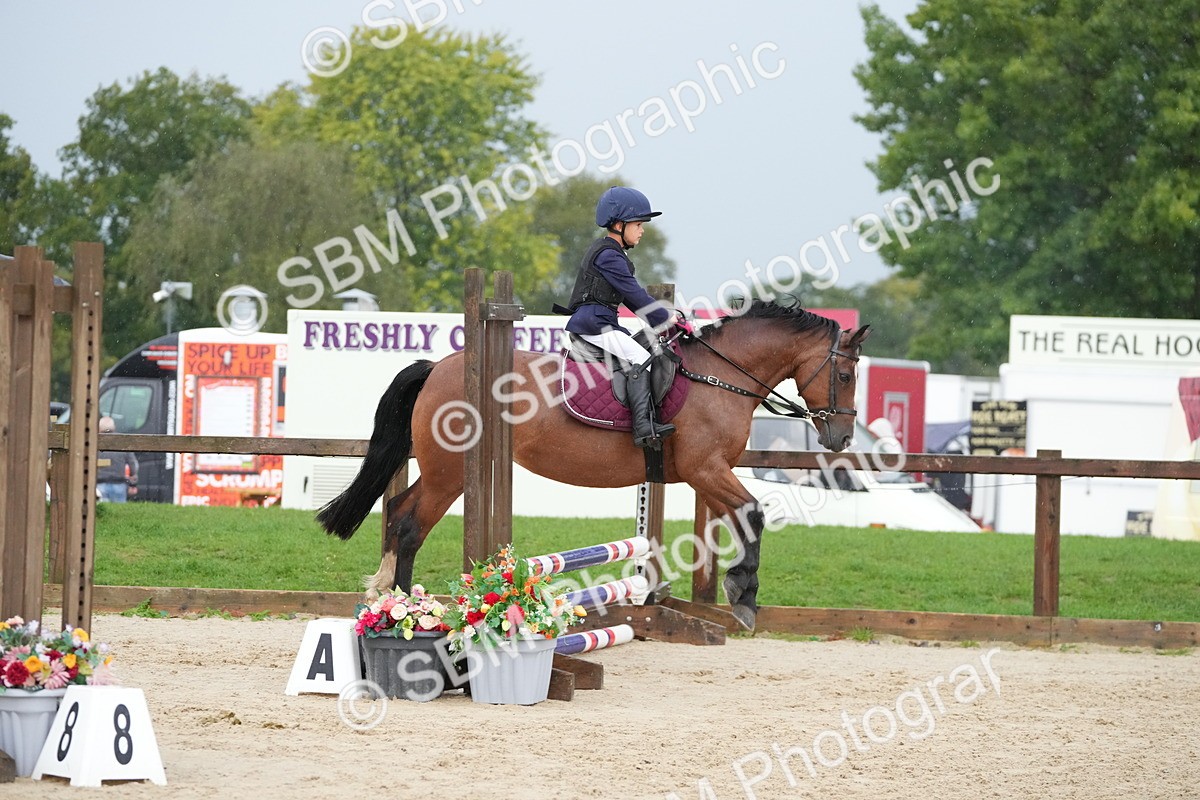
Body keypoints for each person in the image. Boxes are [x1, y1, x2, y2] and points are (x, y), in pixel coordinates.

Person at [558, 186, 692, 449]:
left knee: (644, 349)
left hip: (600, 323)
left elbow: (632, 300)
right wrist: (666, 316)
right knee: (640, 357)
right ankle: (644, 427)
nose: (642, 230)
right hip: (594, 324)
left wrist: (667, 318)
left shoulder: (613, 254)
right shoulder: (608, 255)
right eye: (638, 224)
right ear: (619, 225)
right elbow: (635, 294)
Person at [96, 416, 138, 502]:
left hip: (100, 484)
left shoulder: (95, 441)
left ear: (99, 428)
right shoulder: (122, 441)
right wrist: (133, 477)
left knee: (103, 512)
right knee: (118, 512)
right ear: (114, 427)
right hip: (119, 484)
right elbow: (132, 463)